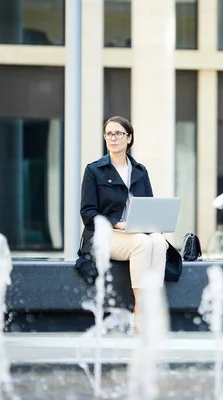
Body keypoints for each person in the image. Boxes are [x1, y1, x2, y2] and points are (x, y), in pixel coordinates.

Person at [79, 115, 180, 324]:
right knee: (142, 242)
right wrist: (117, 223)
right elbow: (88, 213)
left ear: (129, 138)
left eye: (118, 133)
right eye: (109, 134)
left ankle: (153, 302)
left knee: (159, 242)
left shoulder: (140, 172)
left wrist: (149, 224)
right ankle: (141, 309)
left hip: (135, 232)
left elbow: (150, 208)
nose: (113, 138)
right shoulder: (94, 170)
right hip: (105, 235)